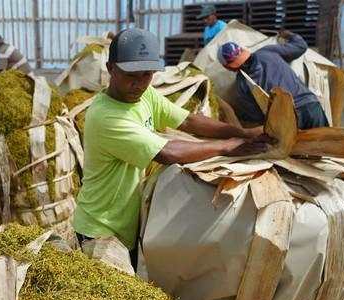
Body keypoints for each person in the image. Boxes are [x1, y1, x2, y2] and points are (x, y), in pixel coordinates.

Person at [72, 28, 272, 262]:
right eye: (131, 75)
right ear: (110, 68)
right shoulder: (106, 116)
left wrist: (242, 133)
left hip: (124, 227)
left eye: (147, 74)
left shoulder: (143, 95)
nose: (139, 83)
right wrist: (227, 146)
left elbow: (188, 120)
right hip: (98, 232)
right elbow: (167, 152)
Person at [218, 31, 328, 129]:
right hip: (311, 106)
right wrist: (289, 35)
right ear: (243, 51)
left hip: (289, 119)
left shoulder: (242, 84)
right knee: (328, 146)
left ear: (228, 67)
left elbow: (257, 116)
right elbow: (301, 46)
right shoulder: (268, 51)